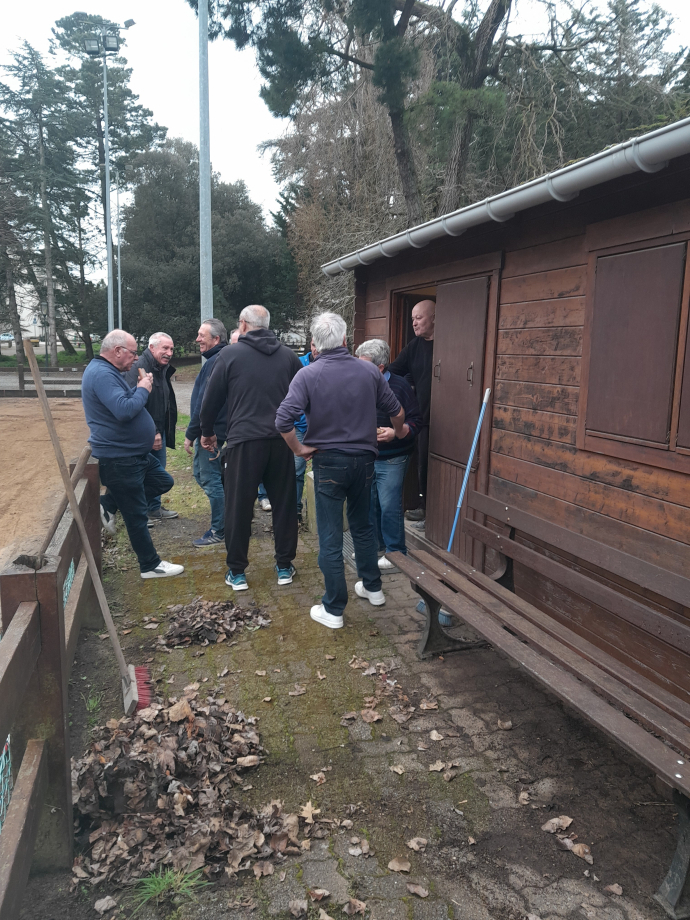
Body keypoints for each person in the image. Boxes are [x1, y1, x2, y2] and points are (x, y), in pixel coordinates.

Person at [276, 312, 405, 630]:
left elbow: (282, 420)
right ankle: (373, 589)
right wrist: (399, 432)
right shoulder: (369, 371)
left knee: (332, 536)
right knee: (363, 527)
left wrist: (299, 449)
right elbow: (397, 411)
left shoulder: (307, 374)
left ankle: (333, 609)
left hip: (328, 463)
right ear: (346, 341)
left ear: (314, 345)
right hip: (364, 462)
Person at [199, 305, 302, 591]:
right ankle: (284, 566)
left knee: (238, 506)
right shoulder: (289, 357)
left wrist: (207, 433)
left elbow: (211, 399)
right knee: (284, 504)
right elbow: (304, 395)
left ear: (243, 325)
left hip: (244, 442)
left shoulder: (229, 355)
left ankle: (237, 572)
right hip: (281, 441)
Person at [82, 330, 184, 579]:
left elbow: (124, 401)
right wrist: (143, 389)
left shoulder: (111, 373)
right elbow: (124, 410)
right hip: (119, 457)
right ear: (117, 351)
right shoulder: (101, 374)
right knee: (136, 515)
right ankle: (150, 565)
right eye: (132, 352)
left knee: (163, 481)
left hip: (134, 454)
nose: (136, 358)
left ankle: (107, 505)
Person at [356, 339, 422, 569]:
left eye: (363, 364)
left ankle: (396, 553)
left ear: (380, 367)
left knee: (389, 504)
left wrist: (396, 432)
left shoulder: (400, 387)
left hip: (393, 457)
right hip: (366, 457)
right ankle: (374, 548)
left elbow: (416, 421)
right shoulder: (357, 384)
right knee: (370, 504)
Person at [388, 299, 435, 530]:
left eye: (419, 318)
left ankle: (434, 515)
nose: (414, 323)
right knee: (422, 466)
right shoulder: (414, 346)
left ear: (434, 318)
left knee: (438, 468)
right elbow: (394, 370)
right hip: (422, 417)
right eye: (413, 319)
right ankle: (424, 507)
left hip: (448, 417)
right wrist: (409, 385)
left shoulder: (447, 342)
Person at [125, 332, 179, 524]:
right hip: (144, 433)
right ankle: (140, 512)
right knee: (142, 473)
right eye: (165, 348)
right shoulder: (139, 369)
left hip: (159, 431)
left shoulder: (160, 368)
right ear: (152, 348)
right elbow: (137, 403)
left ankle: (153, 508)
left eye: (171, 349)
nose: (169, 352)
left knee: (158, 471)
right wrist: (154, 432)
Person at [184, 319, 228, 546]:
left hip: (211, 435)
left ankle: (220, 530)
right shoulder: (218, 360)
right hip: (214, 432)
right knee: (206, 477)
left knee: (211, 481)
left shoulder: (215, 362)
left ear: (216, 339)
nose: (197, 339)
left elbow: (204, 403)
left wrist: (192, 433)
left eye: (202, 335)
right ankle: (229, 519)